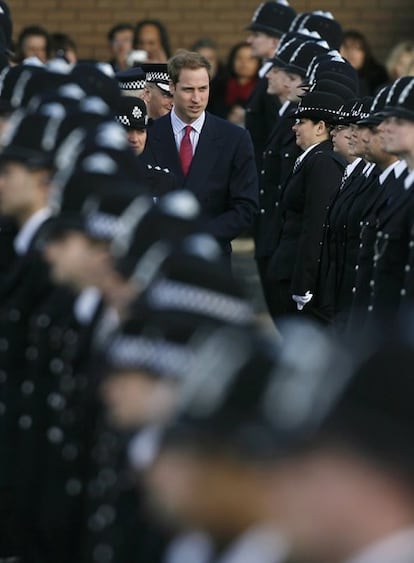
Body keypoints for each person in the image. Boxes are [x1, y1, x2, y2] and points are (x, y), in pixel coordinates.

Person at [142, 50, 258, 259]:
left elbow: (246, 208)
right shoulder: (147, 135)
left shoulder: (234, 138)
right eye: (188, 90)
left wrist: (201, 235)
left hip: (211, 260)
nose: (196, 98)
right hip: (158, 258)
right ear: (172, 87)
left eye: (203, 89)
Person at [267, 89, 346, 322]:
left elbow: (315, 224)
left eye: (301, 122)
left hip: (297, 276)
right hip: (288, 269)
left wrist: (304, 283)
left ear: (320, 127)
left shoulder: (322, 162)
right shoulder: (313, 159)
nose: (294, 127)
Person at [245, 0, 296, 169]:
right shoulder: (265, 75)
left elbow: (276, 136)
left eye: (257, 35)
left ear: (275, 41)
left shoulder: (276, 82)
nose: (249, 40)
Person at [340, 30, 388, 95]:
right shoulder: (331, 74)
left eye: (357, 48)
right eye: (347, 48)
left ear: (365, 53)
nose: (351, 53)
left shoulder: (378, 79)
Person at [224, 41, 259, 126]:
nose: (244, 63)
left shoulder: (263, 89)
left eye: (250, 59)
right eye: (239, 58)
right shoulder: (220, 86)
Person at [191, 37, 228, 117]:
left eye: (210, 58)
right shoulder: (185, 85)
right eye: (201, 59)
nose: (206, 63)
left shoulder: (228, 84)